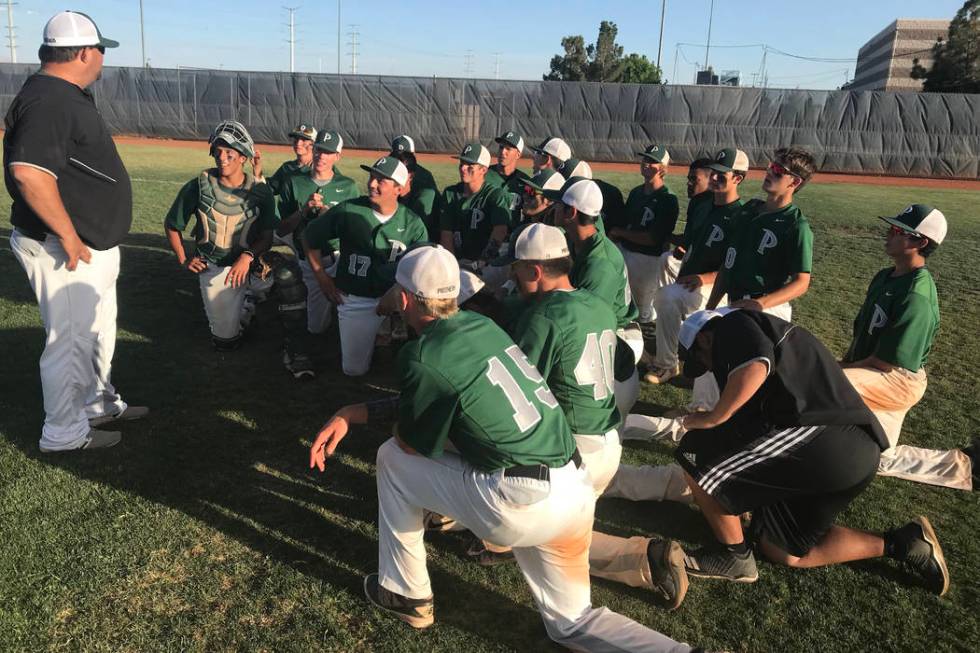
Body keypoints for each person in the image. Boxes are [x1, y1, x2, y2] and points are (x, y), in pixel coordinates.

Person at [309, 245, 705, 652]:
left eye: (397, 289)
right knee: (571, 624)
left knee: (391, 457)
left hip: (520, 503)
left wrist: (371, 415)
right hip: (575, 486)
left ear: (407, 298)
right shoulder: (483, 326)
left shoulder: (423, 352)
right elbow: (451, 396)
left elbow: (412, 440)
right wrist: (356, 412)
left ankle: (405, 592)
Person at [673, 309, 950, 596]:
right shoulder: (773, 344)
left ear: (705, 339)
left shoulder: (735, 323)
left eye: (701, 359)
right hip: (854, 454)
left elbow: (755, 366)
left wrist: (713, 417)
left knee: (694, 452)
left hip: (822, 437)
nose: (708, 366)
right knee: (783, 551)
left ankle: (733, 556)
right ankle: (903, 543)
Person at [6, 10, 146, 452]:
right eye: (101, 49)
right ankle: (63, 433)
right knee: (67, 343)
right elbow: (29, 172)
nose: (103, 58)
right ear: (85, 52)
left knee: (96, 330)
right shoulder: (51, 99)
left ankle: (97, 403)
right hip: (63, 247)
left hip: (87, 244)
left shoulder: (61, 92)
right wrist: (67, 235)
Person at [164, 120, 316, 379]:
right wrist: (183, 258)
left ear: (243, 157)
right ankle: (247, 304)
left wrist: (247, 256)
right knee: (226, 342)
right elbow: (172, 224)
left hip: (251, 263)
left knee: (289, 278)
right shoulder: (198, 186)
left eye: (230, 153)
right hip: (215, 265)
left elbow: (268, 236)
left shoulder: (260, 191)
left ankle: (296, 349)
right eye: (218, 151)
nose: (222, 158)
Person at [842, 205, 974, 491]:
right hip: (875, 369)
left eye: (899, 231)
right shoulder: (884, 277)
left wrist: (834, 368)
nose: (888, 233)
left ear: (921, 242)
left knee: (823, 383)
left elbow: (885, 363)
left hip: (897, 378)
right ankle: (967, 467)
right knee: (879, 459)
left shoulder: (917, 295)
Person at [688, 146, 817, 412]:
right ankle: (701, 413)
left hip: (768, 307)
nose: (770, 172)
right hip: (737, 302)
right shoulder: (748, 211)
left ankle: (713, 416)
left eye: (780, 171)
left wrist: (761, 303)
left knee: (746, 370)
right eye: (771, 166)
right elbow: (729, 263)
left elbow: (802, 282)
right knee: (708, 341)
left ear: (795, 182)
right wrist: (711, 305)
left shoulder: (796, 225)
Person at [303, 156, 428, 376]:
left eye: (381, 180)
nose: (371, 184)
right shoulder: (349, 210)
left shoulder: (413, 223)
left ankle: (393, 334)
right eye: (372, 177)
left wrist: (396, 296)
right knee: (354, 370)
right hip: (355, 297)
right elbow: (309, 236)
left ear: (399, 188)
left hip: (397, 297)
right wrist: (322, 277)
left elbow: (421, 267)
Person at [645, 148, 747, 385]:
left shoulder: (740, 216)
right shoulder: (704, 204)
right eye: (713, 174)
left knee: (667, 297)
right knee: (666, 280)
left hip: (716, 288)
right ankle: (673, 342)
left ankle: (666, 365)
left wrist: (705, 277)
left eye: (721, 176)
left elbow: (737, 265)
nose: (714, 179)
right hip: (691, 277)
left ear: (738, 179)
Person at [549, 177, 643, 419]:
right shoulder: (578, 240)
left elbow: (589, 323)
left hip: (620, 335)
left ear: (570, 211)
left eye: (559, 204)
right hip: (606, 326)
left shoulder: (599, 263)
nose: (553, 207)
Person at [274, 130, 358, 334]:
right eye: (319, 149)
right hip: (309, 261)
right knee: (316, 328)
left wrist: (331, 217)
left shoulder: (347, 186)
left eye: (328, 152)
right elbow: (282, 228)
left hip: (340, 258)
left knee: (352, 315)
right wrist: (302, 212)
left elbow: (354, 230)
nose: (322, 156)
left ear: (337, 156)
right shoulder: (294, 182)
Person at [609, 145, 680, 334]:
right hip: (627, 252)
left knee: (642, 310)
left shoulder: (668, 199)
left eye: (652, 161)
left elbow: (653, 240)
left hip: (648, 259)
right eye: (645, 159)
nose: (646, 164)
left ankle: (647, 341)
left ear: (663, 168)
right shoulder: (636, 193)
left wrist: (620, 233)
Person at [437, 143, 512, 268]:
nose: (463, 168)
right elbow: (446, 233)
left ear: (483, 170)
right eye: (462, 163)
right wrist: (452, 265)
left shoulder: (495, 195)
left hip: (487, 263)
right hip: (456, 260)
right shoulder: (450, 193)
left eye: (470, 165)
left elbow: (500, 231)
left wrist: (482, 262)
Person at [389, 135, 440, 240]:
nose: (399, 161)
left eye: (404, 157)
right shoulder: (391, 173)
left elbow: (422, 218)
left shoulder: (424, 178)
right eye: (396, 156)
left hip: (428, 230)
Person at [254, 122, 317, 196]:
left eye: (304, 140)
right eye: (296, 139)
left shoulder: (320, 169)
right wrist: (257, 170)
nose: (298, 143)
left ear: (314, 144)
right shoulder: (287, 168)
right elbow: (268, 189)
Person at [485, 130, 531, 223]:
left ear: (518, 155)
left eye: (508, 149)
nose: (502, 152)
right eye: (501, 147)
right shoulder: (483, 174)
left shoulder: (525, 181)